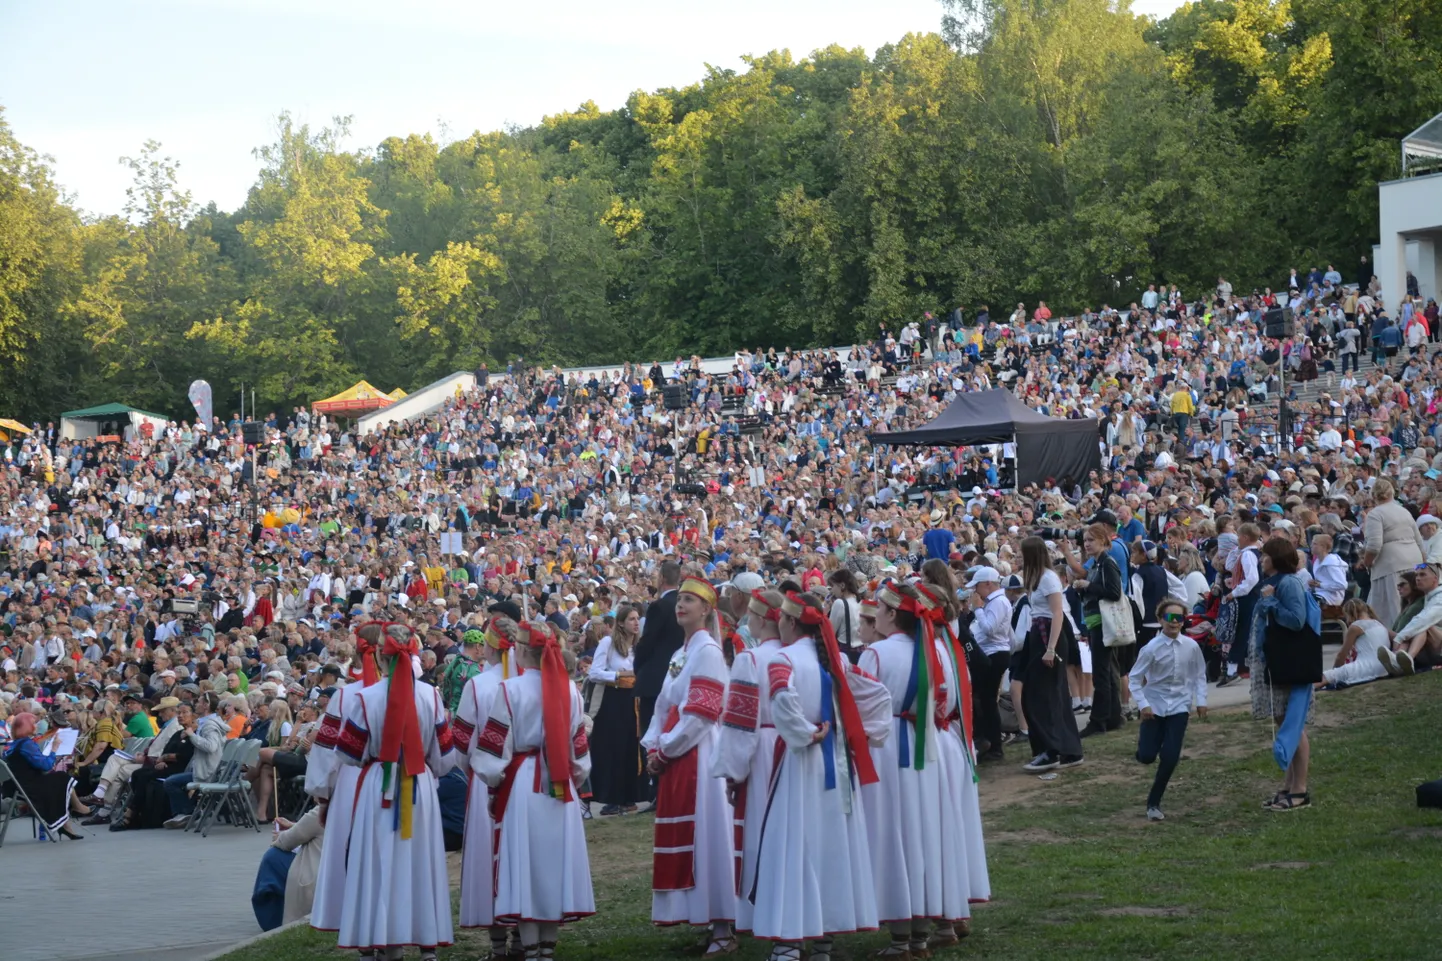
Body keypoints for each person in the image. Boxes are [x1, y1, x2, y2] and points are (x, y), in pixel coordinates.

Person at [743, 591, 889, 961]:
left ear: (790, 622)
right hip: (838, 768)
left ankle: (790, 941)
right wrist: (866, 731)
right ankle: (825, 937)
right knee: (832, 844)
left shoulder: (783, 659)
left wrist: (806, 733)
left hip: (802, 764)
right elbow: (877, 695)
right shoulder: (835, 660)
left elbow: (782, 702)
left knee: (794, 843)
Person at [330, 621, 457, 961]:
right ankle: (426, 941)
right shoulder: (431, 695)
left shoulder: (365, 696)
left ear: (381, 660)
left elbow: (347, 753)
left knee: (377, 859)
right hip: (420, 784)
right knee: (419, 859)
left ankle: (380, 938)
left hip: (379, 784)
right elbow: (446, 757)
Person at [473, 620, 595, 960]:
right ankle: (546, 949)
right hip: (560, 785)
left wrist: (492, 782)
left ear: (522, 651)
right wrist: (576, 777)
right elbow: (579, 750)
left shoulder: (510, 690)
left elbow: (494, 749)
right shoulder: (569, 689)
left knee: (524, 867)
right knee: (553, 863)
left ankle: (529, 949)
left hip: (522, 782)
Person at [641, 575, 736, 954]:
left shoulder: (709, 652)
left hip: (700, 752)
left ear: (707, 609)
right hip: (679, 750)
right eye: (678, 599)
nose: (681, 605)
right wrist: (652, 744)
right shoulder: (681, 654)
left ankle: (723, 925)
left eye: (689, 600)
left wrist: (665, 748)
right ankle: (706, 915)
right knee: (694, 835)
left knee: (709, 834)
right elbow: (664, 704)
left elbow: (700, 714)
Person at [711, 588, 785, 935]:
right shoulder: (795, 654)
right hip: (791, 746)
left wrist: (732, 772)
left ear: (759, 619)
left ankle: (763, 908)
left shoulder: (750, 660)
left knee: (759, 824)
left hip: (762, 749)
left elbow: (740, 721)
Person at [307, 628, 385, 947]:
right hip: (404, 780)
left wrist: (323, 796)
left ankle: (357, 921)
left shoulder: (345, 696)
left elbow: (327, 753)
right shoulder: (416, 690)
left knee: (352, 851)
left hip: (355, 777)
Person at [454, 615, 521, 952]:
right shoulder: (529, 681)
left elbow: (461, 743)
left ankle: (497, 946)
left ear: (489, 647)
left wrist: (475, 769)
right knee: (522, 855)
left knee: (486, 858)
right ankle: (524, 939)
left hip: (485, 780)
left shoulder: (477, 685)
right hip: (525, 778)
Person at [1249, 537, 1320, 813]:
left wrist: (1270, 603)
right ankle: (1289, 786)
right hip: (1274, 664)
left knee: (1292, 725)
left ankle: (1300, 790)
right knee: (1283, 723)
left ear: (1276, 557)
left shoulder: (1288, 583)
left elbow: (1296, 620)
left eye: (1265, 555)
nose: (1261, 559)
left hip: (1288, 665)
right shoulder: (1274, 583)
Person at [1128, 599, 1208, 821]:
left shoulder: (1191, 647)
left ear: (1184, 621)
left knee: (1170, 756)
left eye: (1179, 618)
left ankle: (1154, 802)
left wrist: (1201, 701)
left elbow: (1199, 675)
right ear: (1160, 620)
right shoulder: (1150, 649)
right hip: (1154, 708)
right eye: (1170, 618)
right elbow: (1134, 679)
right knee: (1146, 756)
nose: (1174, 623)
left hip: (1180, 707)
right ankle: (1144, 751)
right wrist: (1143, 704)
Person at [1018, 537, 1084, 772]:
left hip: (1048, 637)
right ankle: (1064, 748)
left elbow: (1057, 614)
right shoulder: (1038, 578)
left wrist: (1050, 648)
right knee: (1046, 695)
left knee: (1043, 696)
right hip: (1040, 633)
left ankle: (1053, 749)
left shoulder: (1047, 578)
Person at [633, 560, 684, 802]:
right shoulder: (683, 604)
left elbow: (647, 641)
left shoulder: (660, 606)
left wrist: (638, 666)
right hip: (680, 675)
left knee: (652, 731)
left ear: (661, 578)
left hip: (656, 678)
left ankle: (655, 789)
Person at [587, 603, 645, 815]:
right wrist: (620, 675)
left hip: (633, 699)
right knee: (613, 748)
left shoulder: (639, 646)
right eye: (631, 619)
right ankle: (612, 797)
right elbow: (594, 673)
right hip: (613, 698)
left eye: (637, 618)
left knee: (631, 746)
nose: (636, 622)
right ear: (620, 622)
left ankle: (630, 797)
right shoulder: (608, 643)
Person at [1074, 524, 1125, 739]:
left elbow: (1114, 592)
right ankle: (1113, 716)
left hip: (1104, 624)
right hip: (1097, 622)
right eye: (1085, 540)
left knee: (1101, 673)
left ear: (1103, 541)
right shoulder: (1097, 564)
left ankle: (1099, 720)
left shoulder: (1107, 563)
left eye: (1091, 540)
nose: (1087, 544)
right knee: (1106, 672)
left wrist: (1087, 586)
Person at [2, 711, 88, 839]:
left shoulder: (14, 744)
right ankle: (77, 808)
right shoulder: (27, 744)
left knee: (58, 779)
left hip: (17, 785)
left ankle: (67, 825)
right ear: (26, 726)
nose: (37, 726)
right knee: (62, 777)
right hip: (30, 787)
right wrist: (54, 749)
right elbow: (46, 766)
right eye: (34, 724)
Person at [1361, 479, 1424, 630]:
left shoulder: (1375, 514)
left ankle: (1394, 644)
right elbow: (1419, 541)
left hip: (1390, 565)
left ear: (1373, 495)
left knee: (1392, 609)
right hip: (1413, 560)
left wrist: (1367, 562)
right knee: (1413, 606)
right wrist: (1422, 565)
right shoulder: (1404, 511)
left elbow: (1375, 545)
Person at [966, 566, 1013, 762]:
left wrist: (977, 609)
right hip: (991, 653)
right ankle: (988, 742)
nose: (975, 591)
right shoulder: (995, 601)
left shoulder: (998, 602)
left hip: (994, 653)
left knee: (987, 701)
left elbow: (989, 629)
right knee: (983, 700)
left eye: (977, 586)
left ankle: (994, 745)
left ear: (987, 584)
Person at [253, 805, 325, 931]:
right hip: (343, 874)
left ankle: (272, 920)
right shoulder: (353, 806)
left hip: (318, 876)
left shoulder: (322, 811)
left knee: (273, 858)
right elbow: (309, 829)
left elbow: (285, 842)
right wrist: (294, 826)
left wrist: (280, 835)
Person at [1380, 562, 1442, 676]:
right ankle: (1398, 659)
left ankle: (1407, 659)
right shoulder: (1428, 598)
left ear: (1435, 579)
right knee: (1416, 628)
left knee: (1423, 627)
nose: (1418, 578)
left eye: (1422, 575)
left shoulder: (1439, 598)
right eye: (1417, 575)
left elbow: (1424, 620)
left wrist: (1398, 638)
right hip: (1435, 644)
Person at [1321, 599, 1389, 687]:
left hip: (1366, 668)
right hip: (1383, 668)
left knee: (1323, 677)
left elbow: (1342, 655)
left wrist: (1335, 672)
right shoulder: (1379, 624)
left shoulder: (1356, 626)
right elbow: (1397, 637)